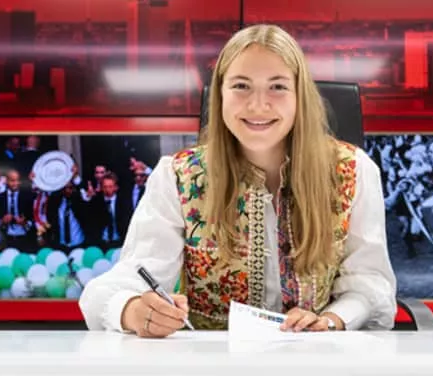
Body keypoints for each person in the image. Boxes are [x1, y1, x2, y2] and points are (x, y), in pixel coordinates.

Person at [79, 24, 397, 338]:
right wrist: (133, 309)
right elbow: (110, 290)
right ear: (220, 95)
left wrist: (330, 320)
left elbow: (370, 285)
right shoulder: (177, 176)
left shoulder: (353, 170)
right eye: (241, 86)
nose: (258, 105)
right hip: (212, 365)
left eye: (277, 86)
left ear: (300, 95)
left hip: (317, 360)